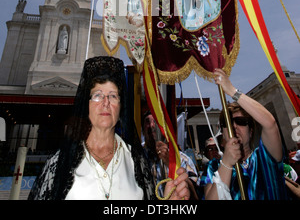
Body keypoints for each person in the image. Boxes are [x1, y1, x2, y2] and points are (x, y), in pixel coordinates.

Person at [28, 56, 190, 200]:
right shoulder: (59, 164)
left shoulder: (136, 161)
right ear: (86, 104)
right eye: (98, 95)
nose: (105, 103)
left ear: (121, 106)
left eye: (113, 96)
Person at [200, 68, 287, 200]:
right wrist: (226, 164)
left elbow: (270, 124)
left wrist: (232, 91)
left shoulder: (264, 158)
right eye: (227, 123)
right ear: (222, 133)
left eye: (240, 121)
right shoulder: (213, 167)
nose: (234, 126)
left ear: (251, 131)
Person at [142, 110, 199, 199]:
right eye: (147, 121)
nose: (152, 125)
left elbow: (194, 192)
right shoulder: (137, 158)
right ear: (143, 130)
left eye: (155, 121)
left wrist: (171, 163)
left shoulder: (183, 159)